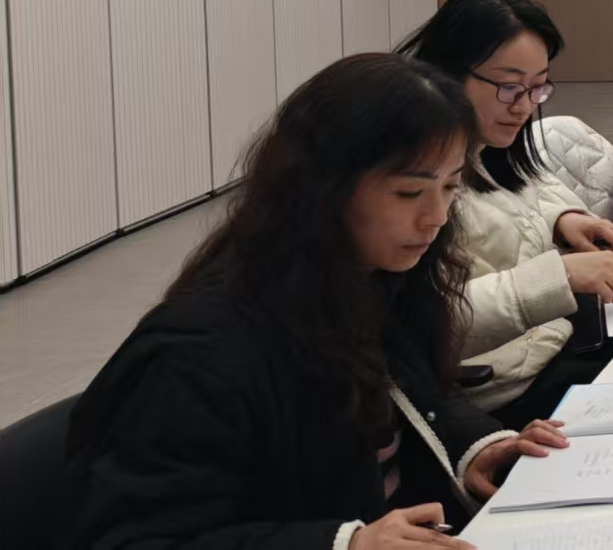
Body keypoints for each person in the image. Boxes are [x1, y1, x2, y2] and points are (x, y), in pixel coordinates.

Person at [64, 53, 567, 550]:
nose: (436, 216)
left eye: (451, 186)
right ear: (324, 190)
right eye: (409, 193)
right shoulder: (201, 353)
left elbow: (417, 393)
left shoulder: (370, 277)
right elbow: (138, 538)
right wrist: (348, 544)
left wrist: (477, 448)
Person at [398, 0, 613, 428]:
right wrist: (558, 276)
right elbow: (419, 323)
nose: (524, 106)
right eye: (510, 87)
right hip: (503, 387)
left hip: (552, 345)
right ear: (449, 72)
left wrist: (563, 217)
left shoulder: (484, 141)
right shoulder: (418, 171)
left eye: (537, 88)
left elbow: (521, 182)